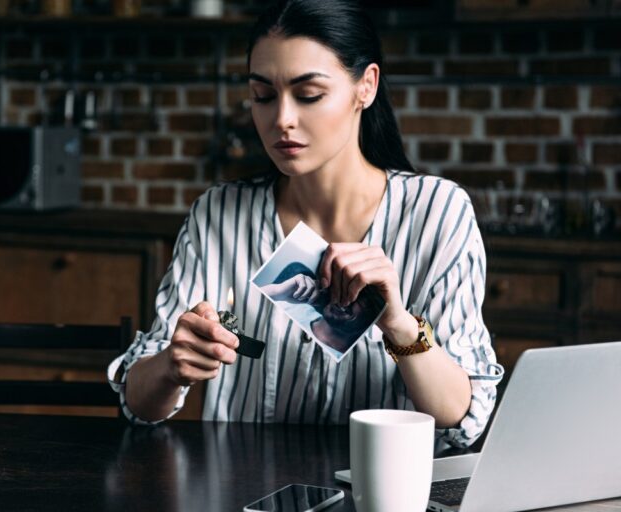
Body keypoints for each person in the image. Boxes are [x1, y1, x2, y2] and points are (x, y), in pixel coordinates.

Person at [108, 0, 503, 450]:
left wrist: (398, 324)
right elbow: (138, 406)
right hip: (243, 487)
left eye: (309, 94)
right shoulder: (217, 215)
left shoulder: (438, 212)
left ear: (366, 87)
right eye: (262, 96)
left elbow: (461, 419)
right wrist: (169, 367)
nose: (282, 120)